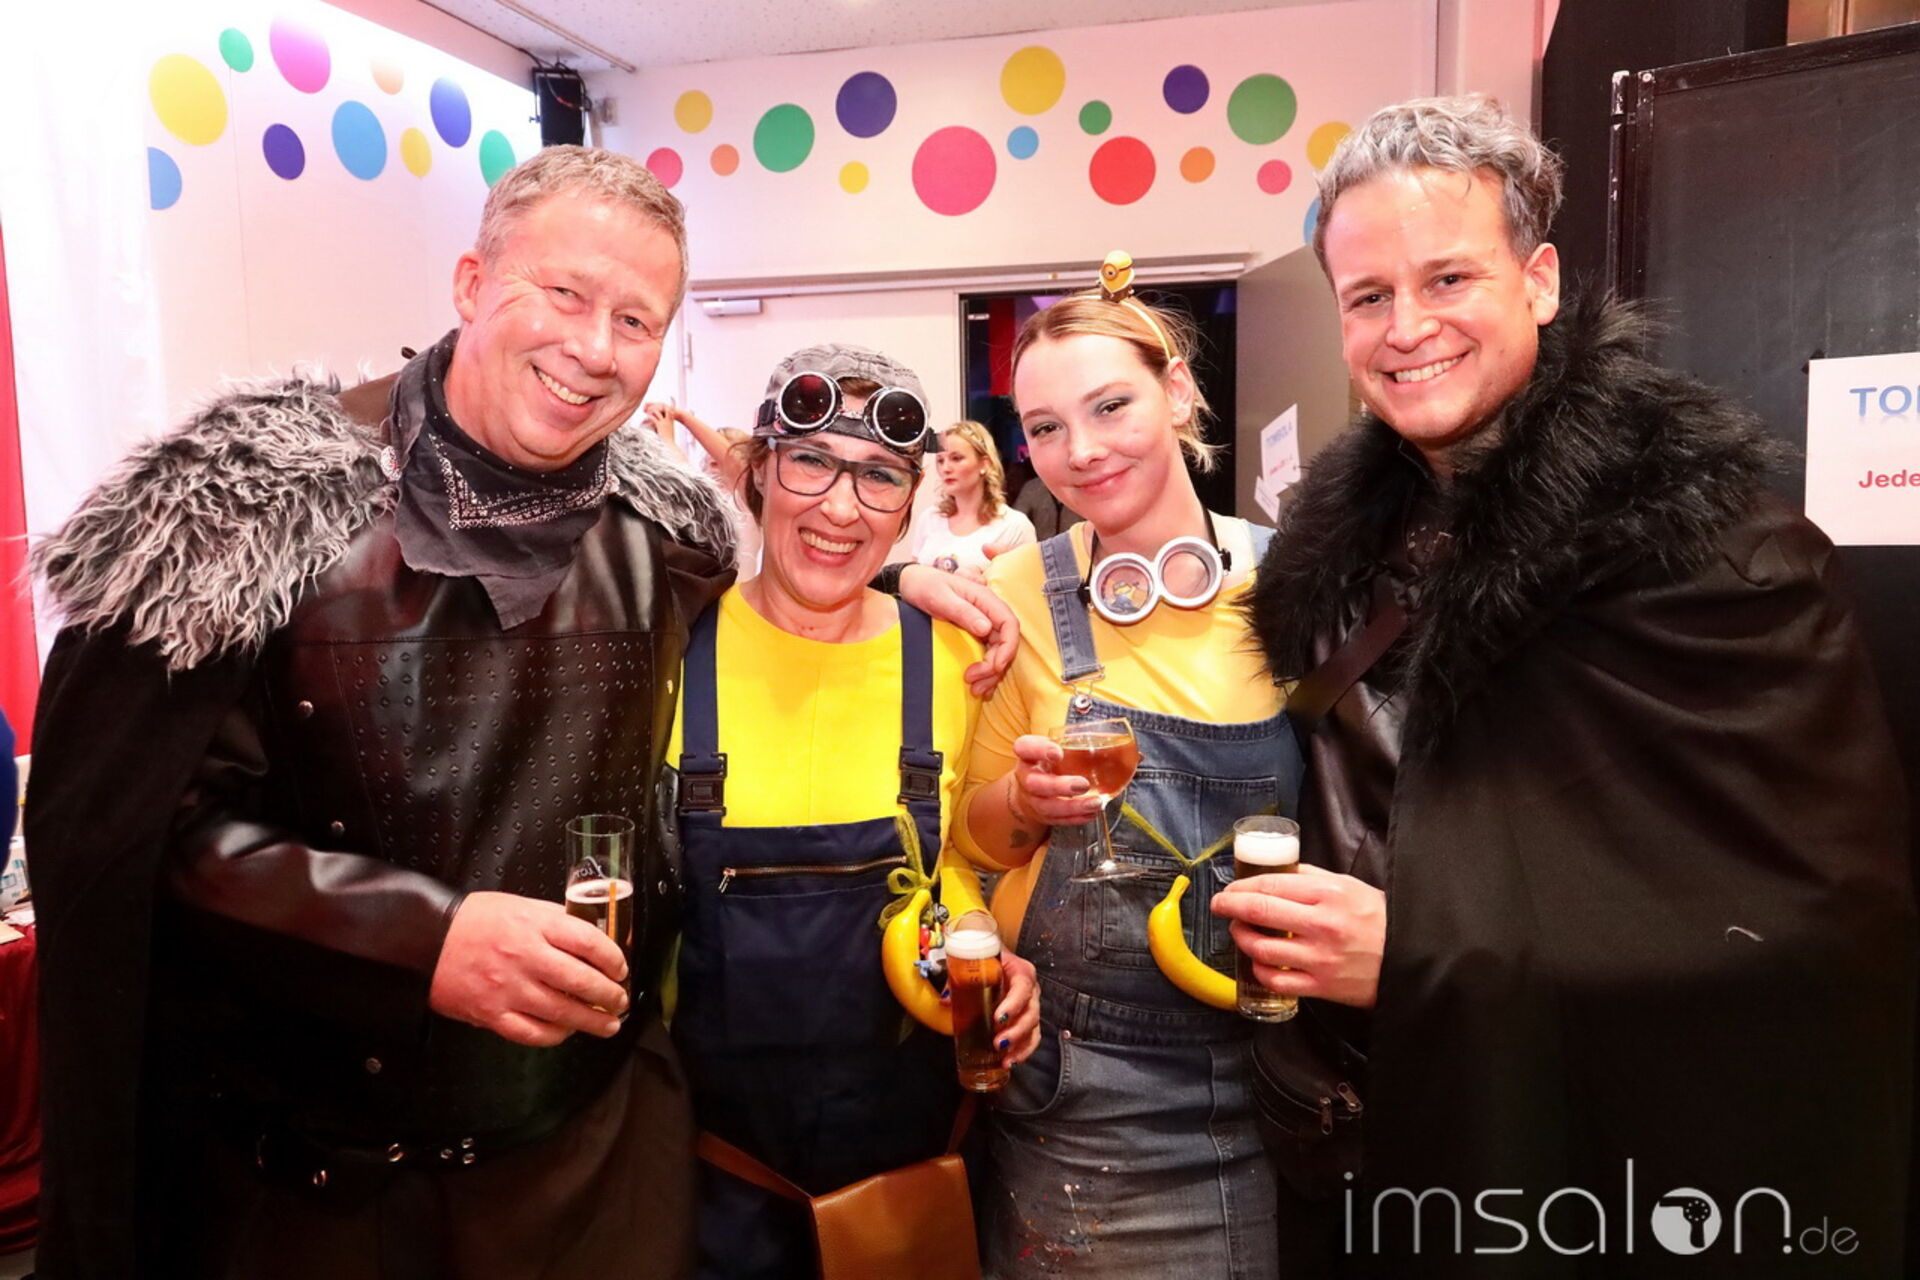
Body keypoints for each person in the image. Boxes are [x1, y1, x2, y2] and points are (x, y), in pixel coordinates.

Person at [22, 145, 1017, 1279]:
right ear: (470, 283)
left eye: (636, 321)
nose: (594, 350)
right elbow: (126, 844)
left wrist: (894, 579)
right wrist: (420, 936)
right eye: (565, 293)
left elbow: (780, 600)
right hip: (315, 1198)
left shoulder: (666, 537)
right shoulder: (238, 521)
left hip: (595, 1176)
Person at [1216, 96, 1915, 1277]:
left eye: (1448, 278)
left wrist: (1420, 950)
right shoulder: (1336, 550)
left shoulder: (1710, 552)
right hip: (1349, 1150)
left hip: (1566, 1182)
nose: (1406, 327)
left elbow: (1803, 937)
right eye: (1368, 295)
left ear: (1537, 281)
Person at [952, 264, 1302, 1277]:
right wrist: (1024, 800)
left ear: (1179, 391)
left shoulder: (1293, 583)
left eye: (1111, 406)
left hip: (1266, 1074)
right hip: (1074, 1089)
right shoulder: (1016, 590)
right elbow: (972, 838)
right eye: (1046, 426)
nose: (1083, 450)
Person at [668, 344, 1041, 1278]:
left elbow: (962, 861)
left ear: (909, 506)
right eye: (811, 461)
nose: (841, 508)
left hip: (912, 1190)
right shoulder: (671, 652)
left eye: (879, 476)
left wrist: (986, 949)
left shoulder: (955, 659)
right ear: (758, 471)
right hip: (709, 1189)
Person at [907, 419, 1036, 579]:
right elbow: (913, 577)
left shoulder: (1014, 526)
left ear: (984, 464)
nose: (946, 468)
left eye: (956, 458)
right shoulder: (930, 518)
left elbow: (1027, 587)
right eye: (940, 460)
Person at [1010, 471, 1083, 543]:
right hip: (1040, 547)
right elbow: (1015, 522)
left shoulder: (1083, 487)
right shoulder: (1032, 488)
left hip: (1078, 547)